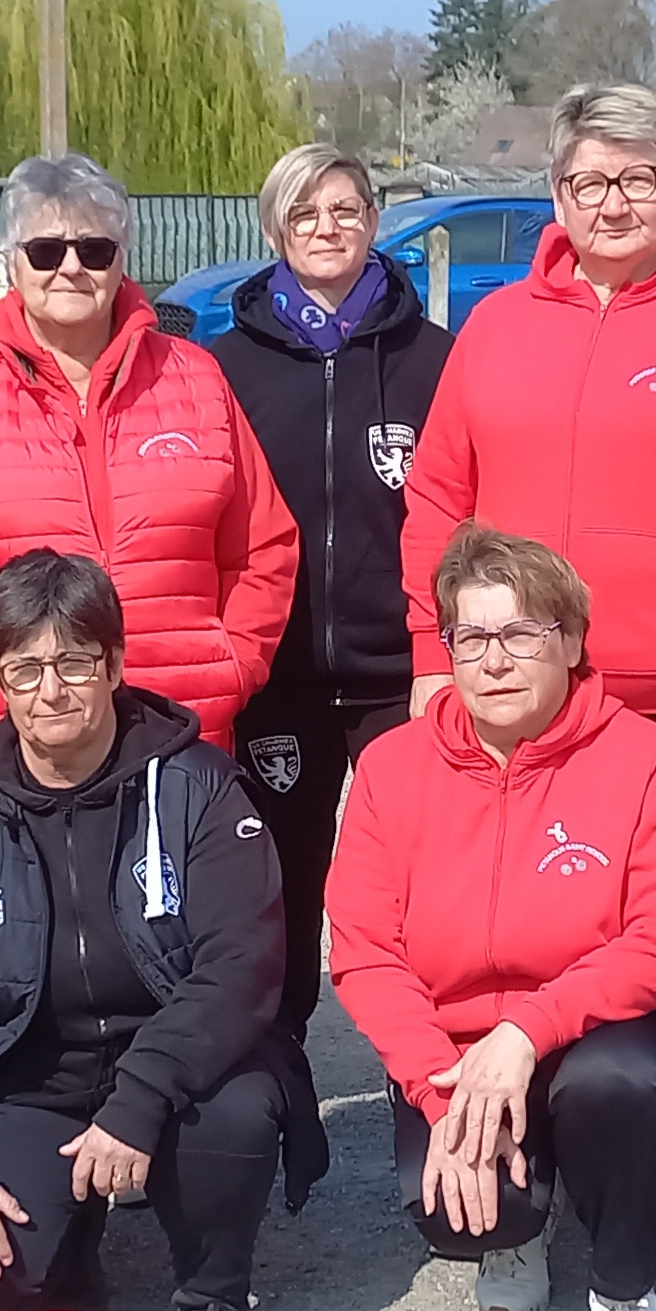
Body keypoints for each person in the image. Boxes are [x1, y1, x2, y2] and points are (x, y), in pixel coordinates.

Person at [0, 550, 325, 1311]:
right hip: (33, 1077)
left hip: (181, 1070)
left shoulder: (200, 789)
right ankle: (67, 1255)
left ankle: (216, 1303)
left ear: (114, 665)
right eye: (26, 669)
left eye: (75, 663)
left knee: (237, 1108)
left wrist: (140, 1097)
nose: (53, 691)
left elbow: (243, 968)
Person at [326, 523, 656, 1311]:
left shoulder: (646, 756)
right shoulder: (392, 768)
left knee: (609, 1088)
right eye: (472, 637)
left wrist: (527, 1028)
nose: (494, 661)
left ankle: (623, 1296)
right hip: (458, 1051)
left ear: (572, 643)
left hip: (619, 1038)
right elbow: (364, 951)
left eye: (522, 635)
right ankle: (520, 1228)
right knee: (464, 1214)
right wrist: (439, 1098)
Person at [0, 153, 300, 829]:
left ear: (122, 261)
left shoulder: (198, 380)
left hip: (179, 735)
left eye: (94, 249)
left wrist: (232, 666)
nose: (71, 267)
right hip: (9, 741)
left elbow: (264, 547)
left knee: (176, 933)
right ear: (13, 262)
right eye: (46, 249)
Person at [401, 82, 656, 807]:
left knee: (653, 906)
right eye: (590, 183)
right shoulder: (494, 327)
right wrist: (434, 650)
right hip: (512, 678)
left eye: (638, 178)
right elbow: (436, 503)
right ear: (559, 196)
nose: (613, 205)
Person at [210, 144, 453, 1041]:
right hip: (277, 678)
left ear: (374, 224)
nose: (327, 228)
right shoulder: (222, 367)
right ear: (275, 228)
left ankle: (423, 1080)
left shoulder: (432, 359)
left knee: (417, 891)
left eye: (346, 210)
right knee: (276, 889)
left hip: (403, 678)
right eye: (306, 213)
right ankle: (275, 1084)